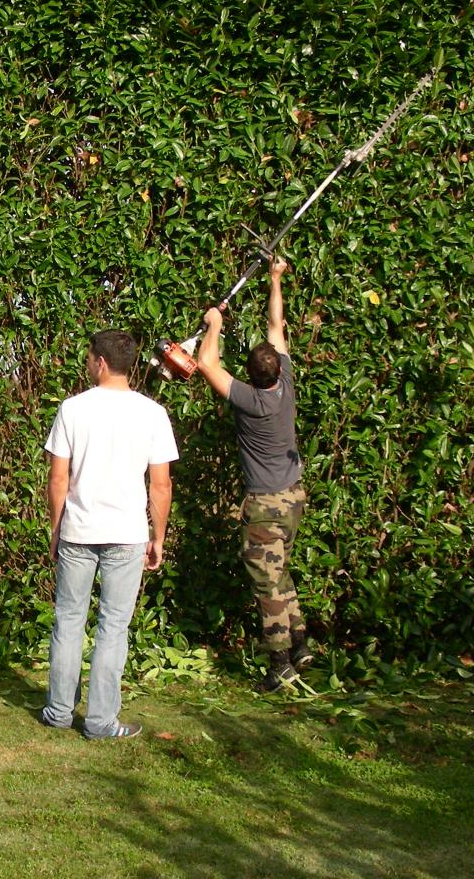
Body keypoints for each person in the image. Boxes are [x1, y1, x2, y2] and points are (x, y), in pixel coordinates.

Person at [40, 330, 178, 739]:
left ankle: (59, 711)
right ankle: (100, 721)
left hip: (78, 530)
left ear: (99, 362)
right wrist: (159, 536)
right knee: (113, 626)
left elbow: (58, 477)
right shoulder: (152, 413)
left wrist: (55, 527)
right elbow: (161, 484)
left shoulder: (72, 409)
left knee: (68, 621)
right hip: (127, 533)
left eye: (88, 357)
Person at [196, 256, 313, 691]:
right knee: (279, 570)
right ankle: (300, 641)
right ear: (278, 369)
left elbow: (207, 363)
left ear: (250, 376)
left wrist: (214, 323)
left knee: (266, 582)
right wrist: (276, 279)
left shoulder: (249, 400)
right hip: (294, 497)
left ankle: (280, 661)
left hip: (264, 505)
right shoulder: (286, 385)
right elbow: (275, 325)